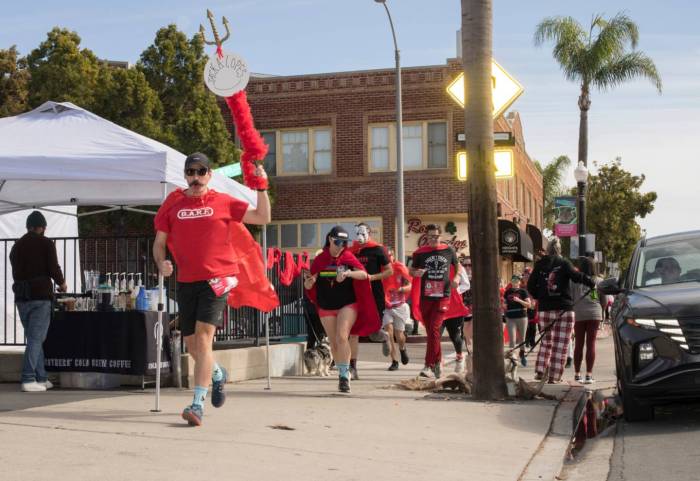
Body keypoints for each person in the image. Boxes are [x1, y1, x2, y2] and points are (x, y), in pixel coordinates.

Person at [154, 152, 273, 426]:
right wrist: (162, 263)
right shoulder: (172, 202)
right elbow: (159, 242)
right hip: (186, 281)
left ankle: (197, 404)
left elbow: (262, 216)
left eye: (201, 171)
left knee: (204, 339)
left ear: (209, 174)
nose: (195, 178)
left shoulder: (222, 201)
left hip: (218, 278)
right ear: (185, 175)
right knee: (192, 343)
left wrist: (262, 187)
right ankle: (217, 374)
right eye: (190, 172)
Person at [304, 226, 380, 392]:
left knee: (342, 337)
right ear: (330, 239)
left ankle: (345, 376)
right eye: (338, 242)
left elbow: (364, 274)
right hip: (326, 305)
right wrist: (309, 282)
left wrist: (348, 274)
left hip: (347, 303)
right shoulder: (320, 259)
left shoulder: (347, 256)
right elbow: (311, 280)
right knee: (333, 342)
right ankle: (342, 371)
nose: (341, 246)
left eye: (344, 243)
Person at [10, 211, 67, 392]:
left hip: (21, 297)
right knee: (36, 339)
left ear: (28, 226)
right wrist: (62, 283)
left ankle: (41, 378)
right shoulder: (46, 243)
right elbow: (53, 267)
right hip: (40, 296)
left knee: (35, 338)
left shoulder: (16, 246)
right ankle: (28, 379)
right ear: (42, 227)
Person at [527, 237, 595, 384]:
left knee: (546, 341)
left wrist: (541, 297)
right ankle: (554, 376)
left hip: (545, 309)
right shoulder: (564, 263)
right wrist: (591, 282)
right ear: (559, 249)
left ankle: (540, 371)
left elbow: (530, 286)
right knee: (561, 344)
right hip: (564, 308)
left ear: (548, 249)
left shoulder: (539, 264)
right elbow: (577, 276)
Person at [409, 224, 468, 378]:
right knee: (431, 332)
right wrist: (417, 272)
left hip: (443, 295)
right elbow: (411, 270)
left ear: (440, 237)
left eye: (436, 236)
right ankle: (436, 363)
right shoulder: (420, 253)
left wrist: (456, 278)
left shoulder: (449, 250)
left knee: (435, 330)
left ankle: (431, 364)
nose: (433, 239)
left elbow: (458, 267)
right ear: (426, 237)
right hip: (426, 296)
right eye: (430, 236)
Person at [348, 223, 392, 380]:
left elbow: (389, 271)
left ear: (369, 233)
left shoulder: (378, 249)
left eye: (362, 232)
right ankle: (352, 368)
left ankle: (384, 336)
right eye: (357, 232)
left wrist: (372, 278)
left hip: (374, 294)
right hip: (355, 295)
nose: (359, 235)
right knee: (354, 332)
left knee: (373, 332)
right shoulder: (351, 251)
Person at [571, 257, 605, 384]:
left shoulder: (574, 281)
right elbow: (604, 301)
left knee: (578, 344)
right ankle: (589, 375)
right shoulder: (599, 281)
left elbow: (570, 296)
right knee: (591, 344)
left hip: (579, 314)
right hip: (594, 314)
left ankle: (577, 374)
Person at [381, 248, 412, 370]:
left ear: (393, 256)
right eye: (386, 257)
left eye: (390, 256)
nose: (388, 259)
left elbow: (410, 284)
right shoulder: (381, 270)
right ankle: (394, 361)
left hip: (400, 305)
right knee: (389, 332)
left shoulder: (400, 268)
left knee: (399, 335)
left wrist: (401, 289)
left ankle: (402, 349)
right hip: (387, 307)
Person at [440, 262, 471, 372]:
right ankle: (438, 361)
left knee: (455, 336)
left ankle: (459, 356)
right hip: (438, 305)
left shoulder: (458, 267)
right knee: (435, 335)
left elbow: (466, 284)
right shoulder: (435, 264)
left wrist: (454, 292)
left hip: (454, 307)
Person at [503, 274, 532, 367]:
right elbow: (504, 302)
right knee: (512, 339)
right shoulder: (507, 292)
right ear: (511, 281)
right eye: (513, 280)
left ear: (520, 282)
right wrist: (503, 305)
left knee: (522, 339)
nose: (515, 281)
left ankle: (522, 355)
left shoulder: (523, 291)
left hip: (522, 317)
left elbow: (529, 305)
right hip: (510, 317)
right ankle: (512, 359)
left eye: (517, 280)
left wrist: (519, 300)